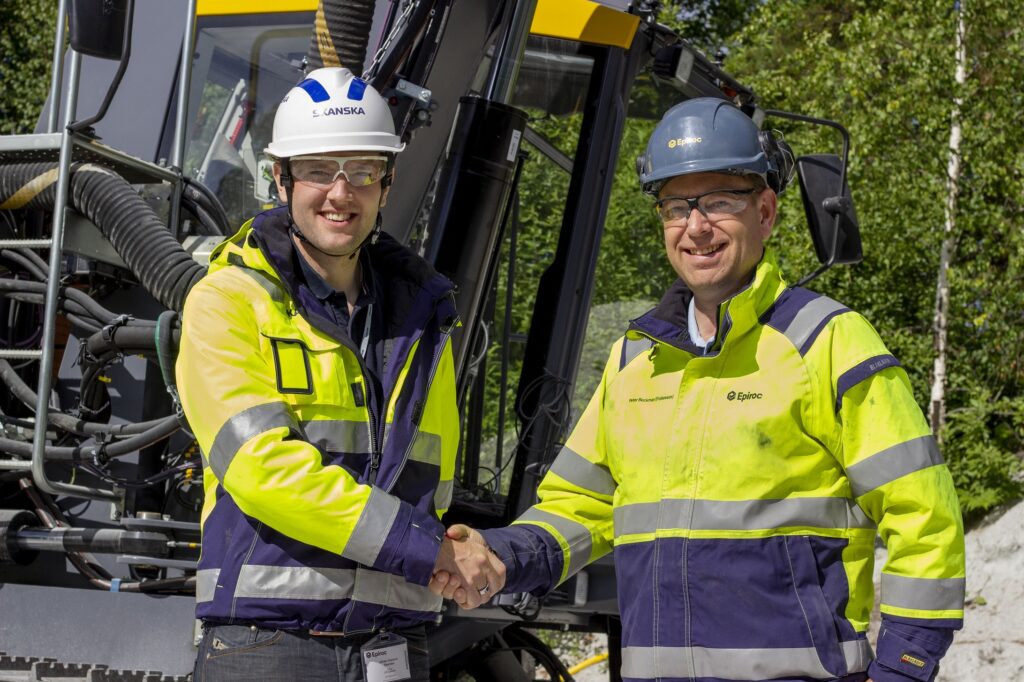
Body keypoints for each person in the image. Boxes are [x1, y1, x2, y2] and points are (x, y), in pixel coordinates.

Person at [434, 97, 966, 682]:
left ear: (765, 211)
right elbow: (579, 507)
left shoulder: (829, 342)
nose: (696, 227)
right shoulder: (636, 361)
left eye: (718, 202)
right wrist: (501, 556)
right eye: (676, 206)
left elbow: (925, 523)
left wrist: (904, 667)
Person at [177, 66, 504, 682]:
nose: (340, 193)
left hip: (393, 640)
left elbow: (424, 482)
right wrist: (429, 547)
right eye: (319, 170)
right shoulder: (228, 302)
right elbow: (263, 470)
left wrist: (454, 545)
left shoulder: (422, 317)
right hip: (270, 642)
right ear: (281, 179)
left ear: (386, 182)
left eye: (361, 171)